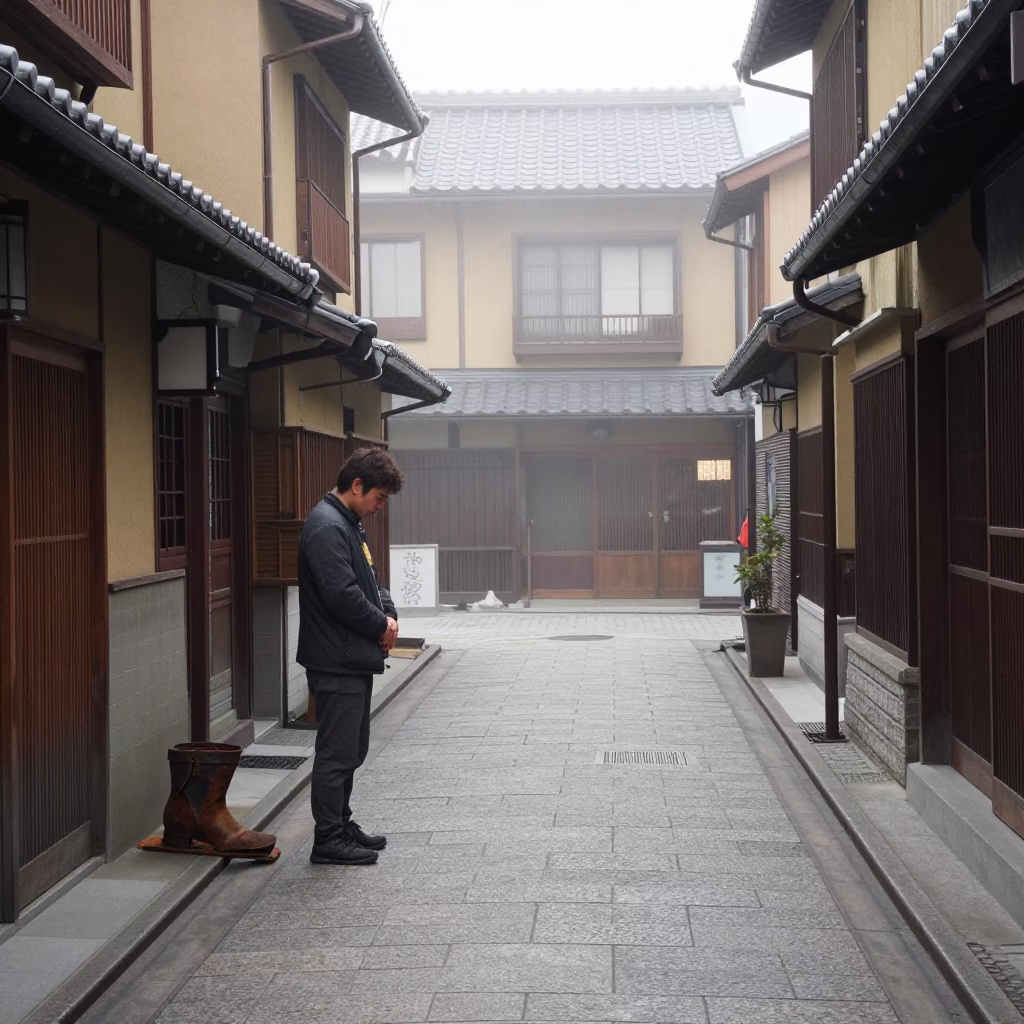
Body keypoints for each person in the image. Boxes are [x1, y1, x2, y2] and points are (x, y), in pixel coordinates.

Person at [297, 447, 403, 865]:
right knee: (337, 752)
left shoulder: (347, 523)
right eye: (379, 497)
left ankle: (341, 825)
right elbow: (341, 595)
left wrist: (389, 616)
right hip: (334, 658)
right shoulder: (326, 527)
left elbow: (371, 581)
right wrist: (380, 626)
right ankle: (328, 838)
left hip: (350, 657)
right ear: (356, 486)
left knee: (352, 749)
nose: (379, 507)